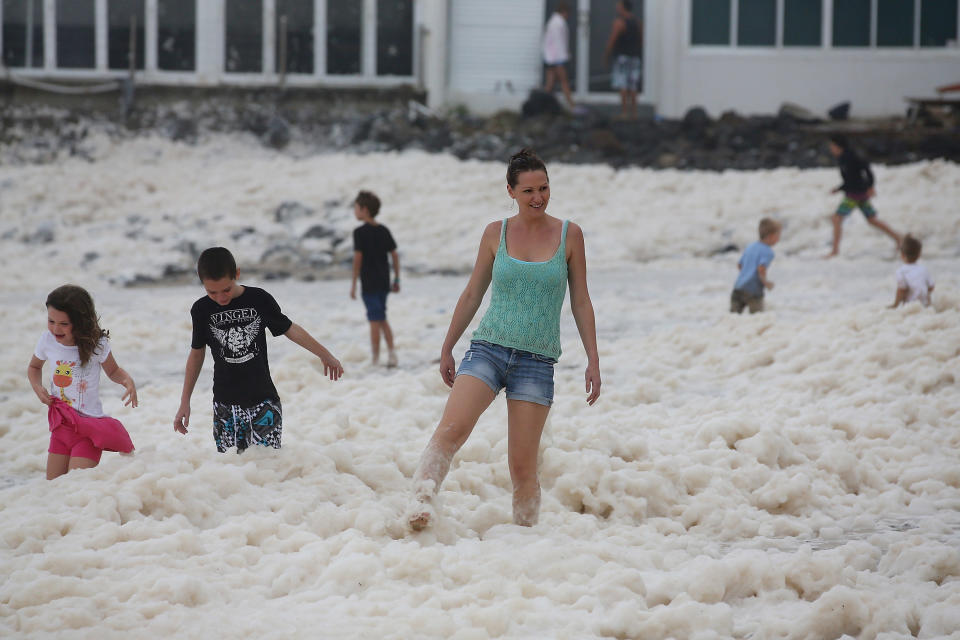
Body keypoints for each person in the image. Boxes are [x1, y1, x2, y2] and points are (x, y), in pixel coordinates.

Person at [406, 149, 601, 531]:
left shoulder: (570, 235)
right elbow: (472, 293)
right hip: (488, 349)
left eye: (544, 188)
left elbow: (581, 300)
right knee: (451, 431)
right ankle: (420, 505)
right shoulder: (496, 233)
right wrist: (447, 347)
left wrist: (593, 359)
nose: (538, 198)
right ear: (510, 191)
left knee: (523, 466)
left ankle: (523, 541)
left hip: (537, 361)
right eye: (528, 190)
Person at [173, 247, 343, 453]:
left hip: (264, 402)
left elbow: (289, 329)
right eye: (212, 292)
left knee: (268, 468)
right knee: (232, 472)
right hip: (226, 406)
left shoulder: (258, 299)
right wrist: (185, 401)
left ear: (236, 274)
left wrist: (325, 355)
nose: (220, 298)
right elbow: (197, 353)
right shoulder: (201, 310)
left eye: (226, 289)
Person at [27, 285, 137, 480]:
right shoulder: (47, 341)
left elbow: (113, 371)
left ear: (80, 322)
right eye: (51, 321)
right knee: (52, 488)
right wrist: (37, 387)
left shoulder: (97, 344)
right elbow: (34, 367)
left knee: (76, 487)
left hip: (89, 431)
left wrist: (127, 380)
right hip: (61, 426)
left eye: (63, 324)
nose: (55, 328)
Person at [825, 134, 901, 258]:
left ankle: (834, 251)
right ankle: (899, 238)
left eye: (832, 146)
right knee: (872, 220)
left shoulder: (850, 157)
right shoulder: (843, 158)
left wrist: (870, 186)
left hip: (855, 194)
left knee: (836, 219)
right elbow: (851, 178)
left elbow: (866, 169)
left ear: (838, 146)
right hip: (858, 193)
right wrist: (839, 188)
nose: (830, 149)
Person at [350, 190, 401, 367]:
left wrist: (354, 283)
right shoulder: (383, 230)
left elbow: (358, 259)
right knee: (381, 318)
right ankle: (392, 354)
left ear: (364, 210)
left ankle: (375, 359)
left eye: (356, 208)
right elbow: (394, 255)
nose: (355, 211)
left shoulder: (359, 232)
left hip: (369, 283)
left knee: (374, 320)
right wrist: (397, 279)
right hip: (384, 282)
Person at [731, 218, 781, 314]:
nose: (779, 239)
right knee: (757, 318)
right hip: (753, 291)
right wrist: (766, 283)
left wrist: (746, 275)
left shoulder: (750, 246)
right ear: (771, 236)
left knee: (733, 317)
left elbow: (739, 265)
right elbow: (761, 269)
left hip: (738, 287)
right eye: (778, 235)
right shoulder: (768, 252)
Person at [604, 0, 643, 120]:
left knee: (623, 84)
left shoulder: (619, 23)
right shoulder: (637, 22)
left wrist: (607, 55)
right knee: (633, 85)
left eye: (618, 5)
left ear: (623, 8)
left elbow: (612, 40)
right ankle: (634, 113)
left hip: (622, 58)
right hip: (634, 57)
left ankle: (625, 112)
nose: (617, 7)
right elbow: (641, 39)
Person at [542, 2, 575, 110]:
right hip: (556, 58)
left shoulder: (554, 22)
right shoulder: (558, 23)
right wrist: (563, 57)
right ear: (564, 12)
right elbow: (558, 43)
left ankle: (542, 105)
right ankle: (571, 105)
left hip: (551, 58)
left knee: (550, 84)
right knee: (564, 81)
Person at [891, 234, 934, 308]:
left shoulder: (901, 271)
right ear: (919, 255)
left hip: (910, 305)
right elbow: (931, 287)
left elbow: (901, 290)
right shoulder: (923, 269)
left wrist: (895, 305)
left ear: (902, 255)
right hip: (924, 304)